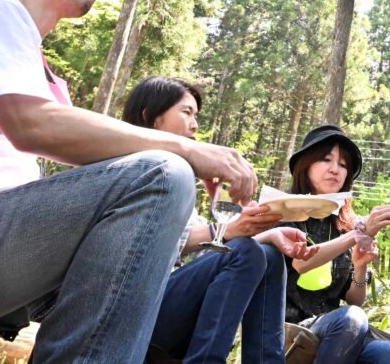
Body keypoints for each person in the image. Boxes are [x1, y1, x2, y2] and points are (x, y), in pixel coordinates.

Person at [0, 0, 256, 363]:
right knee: (161, 175)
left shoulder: (34, 61)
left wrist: (232, 227)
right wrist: (186, 151)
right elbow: (30, 124)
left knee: (221, 244)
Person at [122, 77, 316, 363]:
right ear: (149, 116)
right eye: (186, 112)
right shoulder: (130, 169)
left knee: (269, 256)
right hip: (133, 308)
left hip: (168, 307)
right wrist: (222, 230)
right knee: (247, 251)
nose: (195, 124)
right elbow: (139, 245)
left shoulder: (181, 181)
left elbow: (205, 252)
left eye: (196, 116)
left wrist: (259, 231)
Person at [280, 125, 390, 364]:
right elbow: (300, 262)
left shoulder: (346, 223)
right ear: (305, 165)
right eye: (326, 160)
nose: (335, 170)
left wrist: (360, 266)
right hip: (289, 330)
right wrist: (357, 234)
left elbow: (354, 299)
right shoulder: (284, 212)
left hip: (338, 334)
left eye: (342, 165)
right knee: (352, 318)